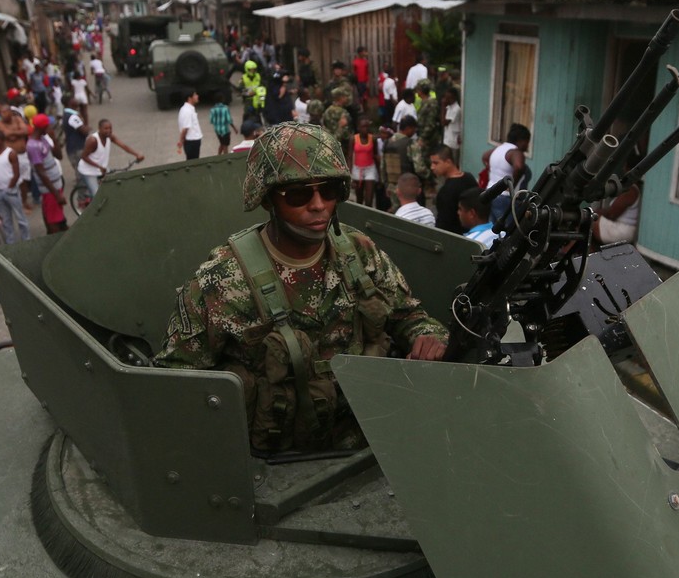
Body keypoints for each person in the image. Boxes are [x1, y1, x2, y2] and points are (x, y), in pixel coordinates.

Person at [155, 122, 448, 454]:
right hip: (275, 467)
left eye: (330, 190)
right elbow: (174, 381)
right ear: (267, 200)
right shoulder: (222, 280)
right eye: (298, 193)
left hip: (364, 442)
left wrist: (428, 336)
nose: (318, 204)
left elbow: (409, 314)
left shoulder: (358, 252)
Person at [78, 119, 145, 198]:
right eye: (106, 128)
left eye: (110, 128)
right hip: (89, 171)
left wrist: (137, 154)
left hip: (102, 169)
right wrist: (98, 166)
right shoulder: (93, 140)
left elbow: (124, 146)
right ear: (99, 129)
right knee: (97, 196)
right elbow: (83, 156)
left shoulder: (110, 137)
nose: (109, 131)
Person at [0, 129, 30, 244]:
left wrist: (9, 188)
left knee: (20, 218)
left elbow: (16, 174)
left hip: (10, 191)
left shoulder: (10, 153)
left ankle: (26, 239)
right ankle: (11, 242)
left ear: (0, 140)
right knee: (6, 220)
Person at [26, 115, 67, 234]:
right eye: (48, 125)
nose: (50, 127)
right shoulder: (33, 146)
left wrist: (54, 138)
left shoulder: (43, 139)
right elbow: (41, 172)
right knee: (53, 218)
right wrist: (56, 194)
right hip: (50, 188)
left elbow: (59, 156)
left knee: (53, 213)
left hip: (55, 183)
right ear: (43, 127)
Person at [486, 123, 531, 222]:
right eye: (527, 141)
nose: (528, 145)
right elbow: (519, 167)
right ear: (520, 141)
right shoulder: (516, 152)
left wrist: (492, 169)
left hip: (490, 193)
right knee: (507, 231)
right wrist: (511, 186)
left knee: (493, 229)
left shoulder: (499, 149)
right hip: (504, 198)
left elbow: (485, 157)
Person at [428, 146, 477, 234]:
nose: (432, 167)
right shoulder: (469, 177)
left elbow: (444, 225)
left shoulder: (446, 192)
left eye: (436, 163)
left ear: (448, 162)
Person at [592, 181, 641, 247]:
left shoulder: (630, 190)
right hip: (622, 228)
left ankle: (587, 253)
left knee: (588, 220)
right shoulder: (630, 188)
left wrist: (596, 212)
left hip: (623, 231)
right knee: (588, 219)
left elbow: (611, 215)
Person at [350, 117, 379, 206]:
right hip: (357, 169)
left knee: (369, 200)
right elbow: (350, 156)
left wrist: (379, 174)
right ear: (358, 128)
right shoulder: (354, 139)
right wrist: (350, 174)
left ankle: (368, 218)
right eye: (363, 127)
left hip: (370, 168)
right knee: (359, 198)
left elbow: (376, 155)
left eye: (367, 126)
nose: (365, 129)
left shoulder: (373, 139)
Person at [178, 91, 204, 160]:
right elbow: (185, 128)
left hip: (192, 141)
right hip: (192, 142)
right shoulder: (187, 111)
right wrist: (181, 141)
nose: (197, 96)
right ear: (189, 98)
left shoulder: (188, 109)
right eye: (195, 95)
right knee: (193, 162)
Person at [440, 87, 462, 152]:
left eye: (448, 98)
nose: (446, 100)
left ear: (454, 97)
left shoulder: (456, 109)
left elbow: (444, 122)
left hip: (453, 141)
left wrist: (443, 106)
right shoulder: (449, 107)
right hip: (447, 139)